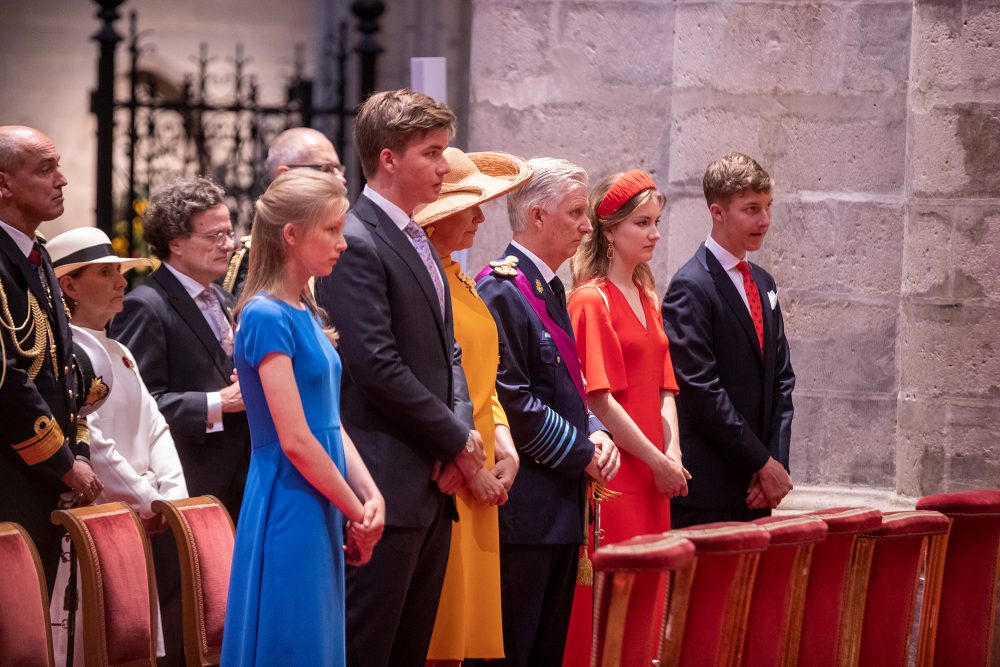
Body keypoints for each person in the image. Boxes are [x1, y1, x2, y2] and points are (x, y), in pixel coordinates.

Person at [314, 88, 486, 667]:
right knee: (370, 650)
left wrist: (456, 439)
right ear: (388, 159)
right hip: (385, 483)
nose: (444, 168)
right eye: (432, 153)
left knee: (410, 649)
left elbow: (449, 354)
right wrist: (454, 439)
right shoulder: (357, 240)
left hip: (433, 482)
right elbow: (375, 365)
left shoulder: (415, 237)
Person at [221, 169, 384, 665]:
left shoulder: (305, 312)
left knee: (318, 640)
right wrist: (357, 513)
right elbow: (294, 438)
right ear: (291, 234)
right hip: (289, 498)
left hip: (321, 495)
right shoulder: (265, 314)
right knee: (294, 639)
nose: (343, 243)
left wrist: (370, 493)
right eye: (331, 230)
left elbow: (328, 422)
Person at [472, 157, 621, 667]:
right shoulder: (499, 289)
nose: (587, 226)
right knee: (515, 650)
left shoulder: (550, 287)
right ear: (537, 216)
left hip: (560, 506)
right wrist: (582, 451)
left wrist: (597, 431)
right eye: (576, 212)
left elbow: (570, 384)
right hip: (526, 510)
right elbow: (512, 399)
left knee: (546, 651)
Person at [109, 176, 250, 665]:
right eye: (215, 236)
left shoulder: (227, 299)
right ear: (176, 243)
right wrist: (219, 402)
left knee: (225, 616)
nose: (229, 245)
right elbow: (139, 406)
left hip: (235, 483)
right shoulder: (147, 305)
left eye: (230, 233)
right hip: (186, 484)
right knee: (185, 614)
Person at [562, 169, 691, 665]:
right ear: (610, 229)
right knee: (612, 599)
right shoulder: (589, 299)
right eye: (642, 223)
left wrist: (673, 453)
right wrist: (657, 458)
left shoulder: (649, 295)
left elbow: (665, 386)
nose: (655, 233)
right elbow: (599, 400)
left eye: (657, 222)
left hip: (656, 469)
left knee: (650, 596)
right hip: (621, 473)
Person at [413, 147, 533, 665]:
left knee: (468, 642)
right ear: (437, 215)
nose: (482, 217)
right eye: (470, 206)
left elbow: (485, 381)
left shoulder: (459, 277)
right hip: (452, 469)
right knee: (440, 635)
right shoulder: (427, 282)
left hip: (484, 467)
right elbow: (429, 384)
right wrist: (471, 466)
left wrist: (506, 444)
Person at [47, 226, 189, 664]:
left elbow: (156, 426)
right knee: (92, 639)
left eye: (120, 272)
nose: (121, 282)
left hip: (135, 517)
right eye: (106, 273)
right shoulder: (64, 353)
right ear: (69, 285)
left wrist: (173, 497)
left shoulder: (121, 350)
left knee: (130, 641)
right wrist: (149, 499)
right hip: (100, 518)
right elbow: (95, 445)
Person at [662, 152, 795, 528]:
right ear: (717, 212)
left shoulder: (763, 282)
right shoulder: (691, 286)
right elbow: (702, 390)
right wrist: (760, 462)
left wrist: (776, 461)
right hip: (711, 488)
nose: (764, 220)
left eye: (768, 206)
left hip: (758, 487)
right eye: (751, 209)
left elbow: (782, 378)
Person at [0, 125, 102, 588]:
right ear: (4, 185)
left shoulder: (36, 253)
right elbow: (8, 380)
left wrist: (73, 456)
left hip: (40, 478)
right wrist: (63, 463)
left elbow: (61, 374)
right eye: (46, 169)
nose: (62, 180)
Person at [225, 128, 348, 296]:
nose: (340, 178)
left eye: (339, 170)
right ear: (285, 175)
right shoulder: (257, 258)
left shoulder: (337, 249)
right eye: (326, 169)